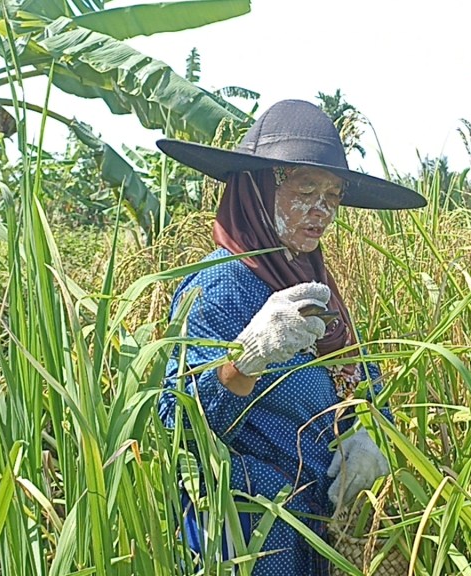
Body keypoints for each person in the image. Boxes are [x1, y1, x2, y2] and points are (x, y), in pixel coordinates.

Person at [155, 99, 426, 574]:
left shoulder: (314, 285)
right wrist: (247, 358)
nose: (323, 210)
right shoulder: (218, 286)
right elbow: (179, 422)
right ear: (258, 189)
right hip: (249, 532)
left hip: (320, 529)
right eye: (306, 189)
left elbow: (364, 385)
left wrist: (369, 436)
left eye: (333, 195)